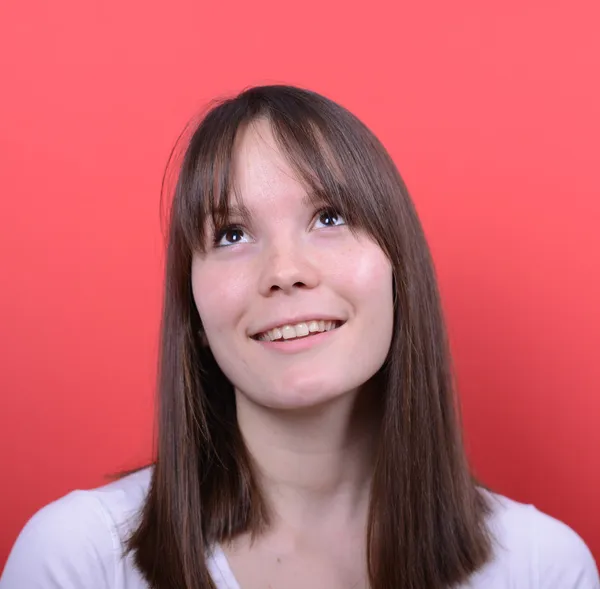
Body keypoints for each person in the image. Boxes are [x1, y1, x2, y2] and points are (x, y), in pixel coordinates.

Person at [1, 85, 598, 589]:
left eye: (330, 218)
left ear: (400, 273)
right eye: (232, 234)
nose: (285, 270)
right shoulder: (80, 560)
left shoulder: (542, 568)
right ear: (195, 312)